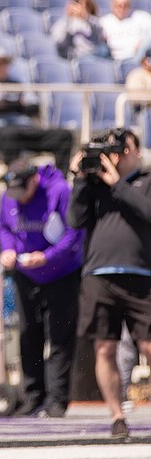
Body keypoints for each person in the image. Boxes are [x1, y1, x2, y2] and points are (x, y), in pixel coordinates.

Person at [66, 127, 151, 438]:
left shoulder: (146, 181)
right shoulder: (94, 184)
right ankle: (117, 417)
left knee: (148, 345)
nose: (117, 155)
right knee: (105, 347)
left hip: (142, 275)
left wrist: (118, 186)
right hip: (100, 275)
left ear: (136, 152)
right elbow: (74, 220)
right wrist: (79, 179)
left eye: (123, 149)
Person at [0, 159, 85, 418]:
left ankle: (57, 400)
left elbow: (73, 234)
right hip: (26, 276)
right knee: (27, 335)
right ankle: (33, 396)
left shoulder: (59, 192)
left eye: (22, 192)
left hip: (61, 274)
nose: (18, 199)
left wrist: (47, 257)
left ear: (34, 180)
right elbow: (4, 227)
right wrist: (8, 249)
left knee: (59, 338)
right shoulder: (9, 196)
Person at [0, 48, 74, 174]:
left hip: (23, 128)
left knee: (63, 136)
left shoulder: (16, 82)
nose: (1, 67)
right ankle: (15, 180)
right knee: (10, 134)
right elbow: (0, 105)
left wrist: (15, 105)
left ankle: (59, 180)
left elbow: (33, 106)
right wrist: (19, 105)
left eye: (4, 63)